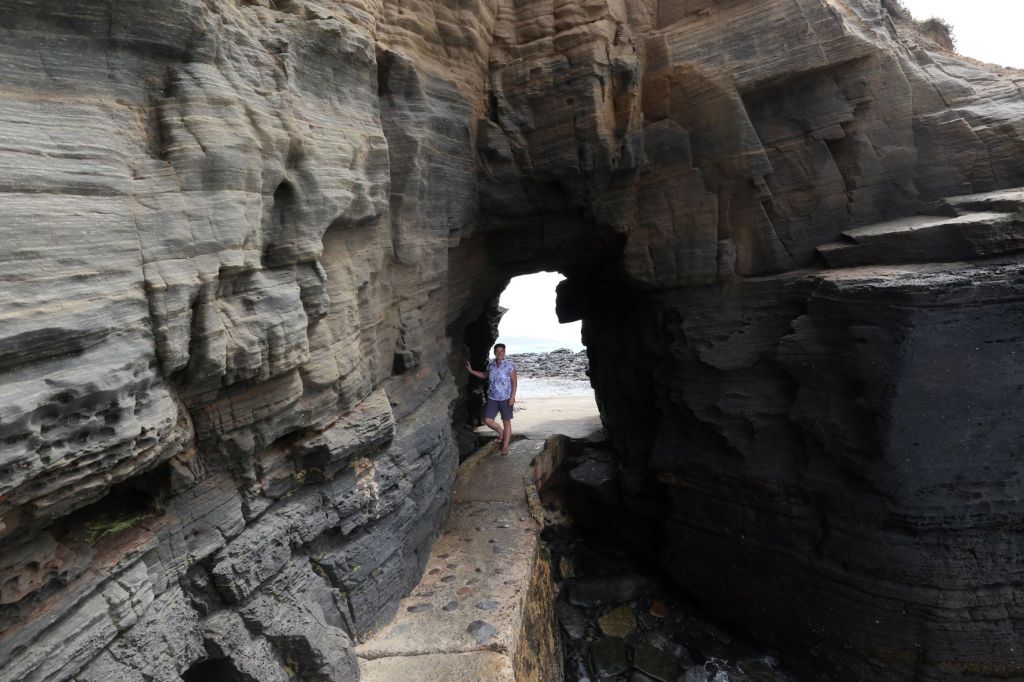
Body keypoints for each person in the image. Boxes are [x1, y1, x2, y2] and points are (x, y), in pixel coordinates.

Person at [465, 343, 517, 455]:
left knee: (506, 422)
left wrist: (512, 397)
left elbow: (514, 382)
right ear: (494, 352)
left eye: (501, 351)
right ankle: (501, 432)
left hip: (506, 398)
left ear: (504, 352)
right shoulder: (491, 365)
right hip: (492, 398)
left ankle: (505, 446)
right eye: (497, 351)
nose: (499, 353)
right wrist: (471, 371)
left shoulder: (509, 366)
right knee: (488, 420)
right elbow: (484, 375)